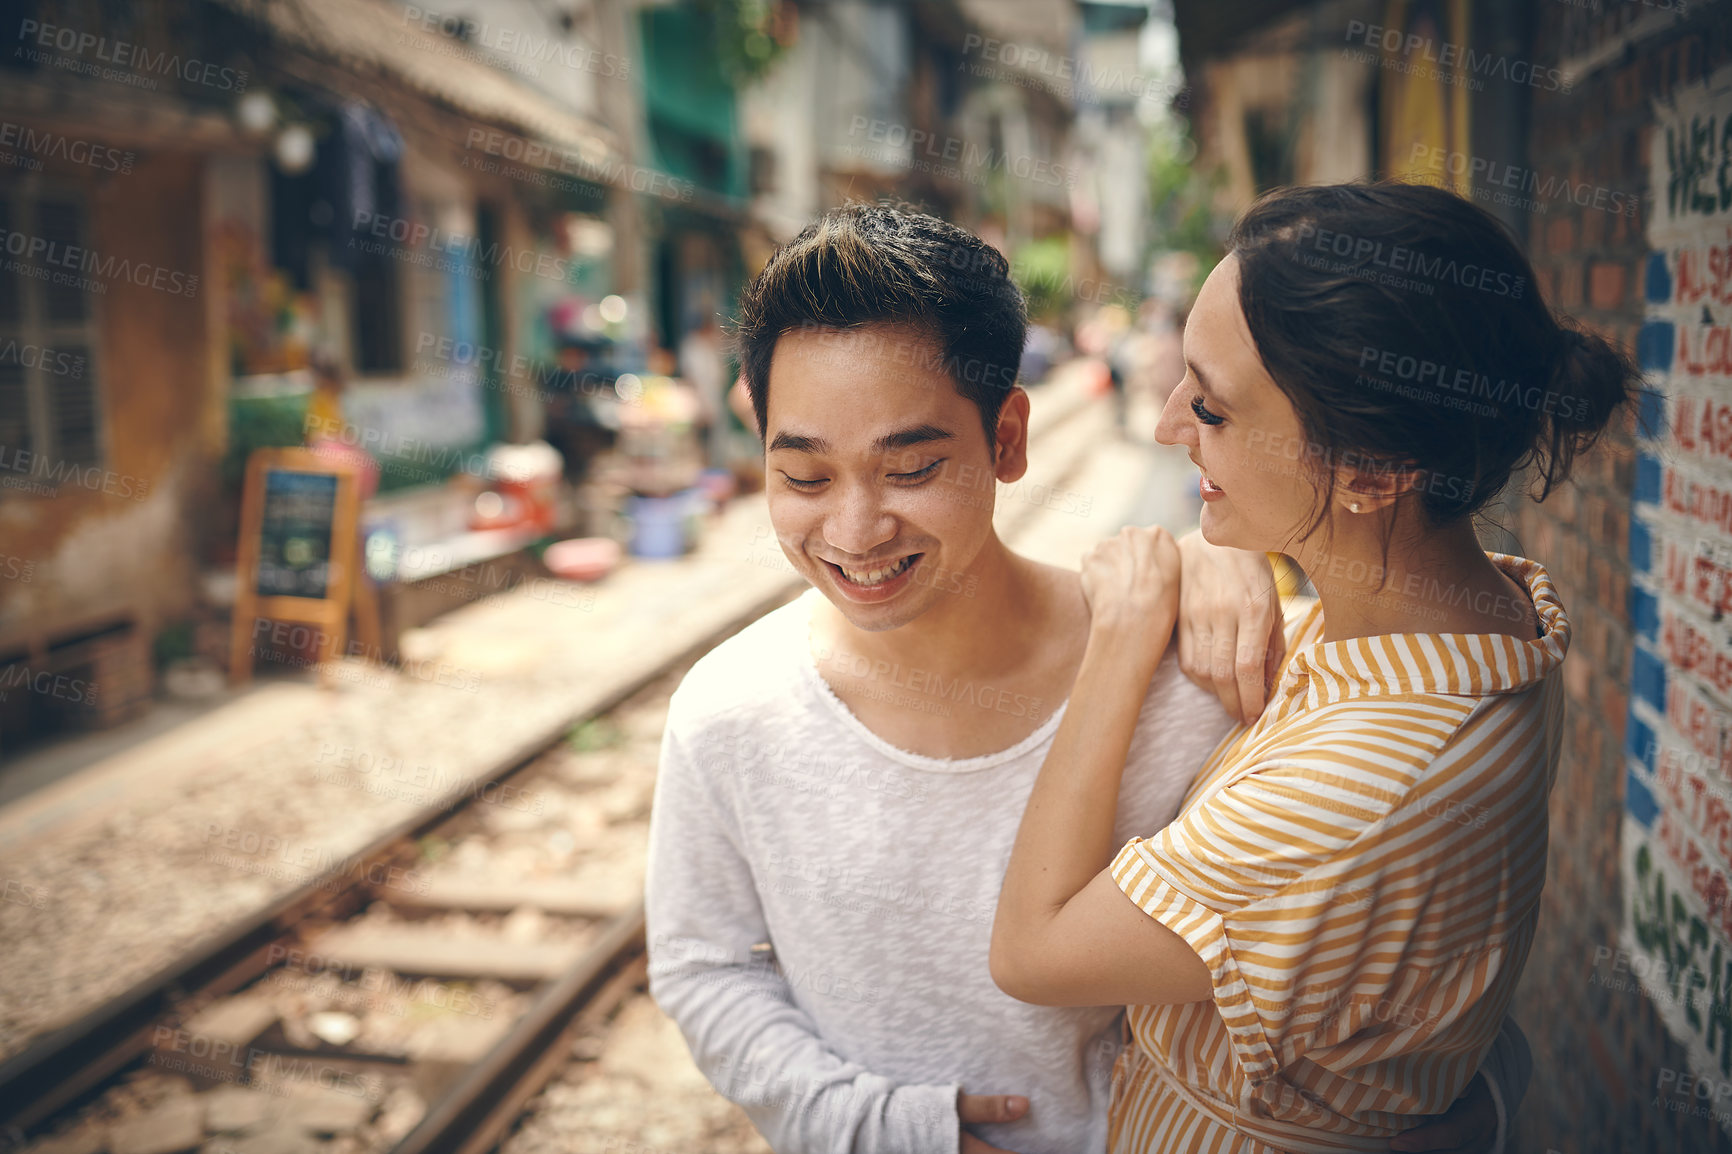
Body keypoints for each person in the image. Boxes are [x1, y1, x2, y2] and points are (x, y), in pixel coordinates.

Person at [646, 203, 1526, 1154]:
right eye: (807, 479)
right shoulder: (727, 713)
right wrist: (872, 1127)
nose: (856, 532)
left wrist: (1227, 560)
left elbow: (1390, 944)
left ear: (1009, 440)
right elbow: (705, 967)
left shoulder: (1216, 678)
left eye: (914, 468)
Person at [989, 181, 1638, 1152]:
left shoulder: (1344, 796)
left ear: (1372, 472)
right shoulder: (1491, 620)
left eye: (1208, 405)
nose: (1168, 422)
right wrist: (1227, 550)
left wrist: (1121, 645)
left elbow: (1031, 950)